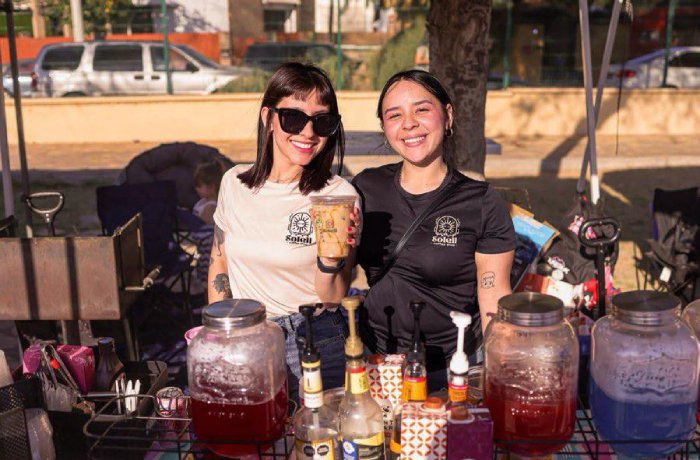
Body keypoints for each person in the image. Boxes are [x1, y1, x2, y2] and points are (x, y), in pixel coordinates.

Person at [352, 70, 515, 391]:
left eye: (422, 110)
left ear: (448, 115)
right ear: (384, 127)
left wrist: (501, 373)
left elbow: (494, 296)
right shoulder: (366, 188)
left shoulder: (480, 201)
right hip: (376, 361)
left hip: (452, 370)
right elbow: (340, 276)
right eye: (395, 115)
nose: (409, 124)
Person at [208, 63, 360, 400]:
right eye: (293, 118)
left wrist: (330, 258)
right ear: (268, 118)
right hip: (247, 333)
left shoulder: (338, 196)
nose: (308, 133)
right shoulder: (233, 183)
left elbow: (334, 296)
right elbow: (219, 262)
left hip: (316, 335)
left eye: (322, 121)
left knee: (317, 431)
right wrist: (220, 332)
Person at [193, 161, 224, 225]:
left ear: (211, 187)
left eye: (199, 186)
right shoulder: (203, 201)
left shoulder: (210, 207)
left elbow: (201, 225)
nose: (197, 189)